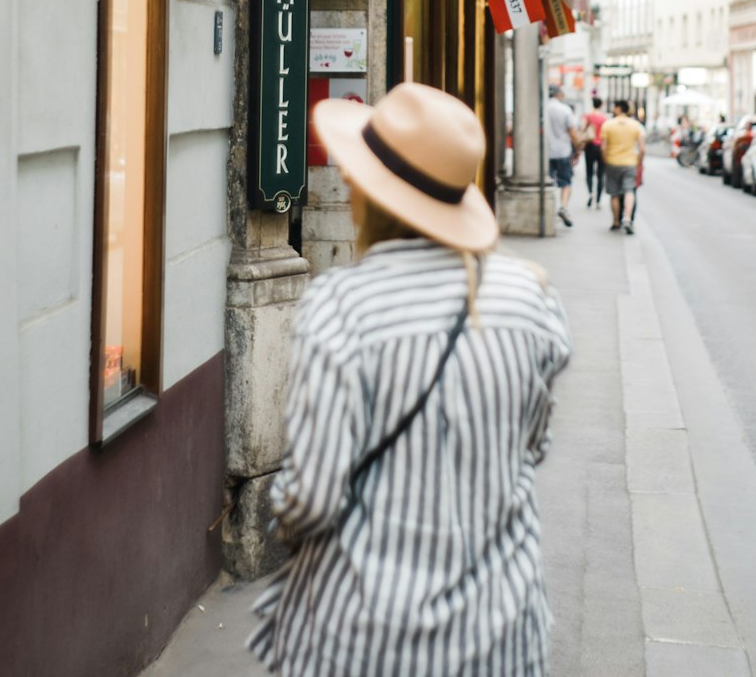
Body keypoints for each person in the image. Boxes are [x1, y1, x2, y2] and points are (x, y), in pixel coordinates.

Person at [249, 82, 572, 676]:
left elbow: (314, 497)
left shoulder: (340, 306)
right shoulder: (532, 298)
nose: (346, 184)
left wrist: (283, 513)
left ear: (372, 195)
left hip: (368, 637)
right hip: (501, 630)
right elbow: (533, 445)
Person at [601, 98, 645, 234]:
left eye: (614, 107)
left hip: (612, 162)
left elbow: (603, 148)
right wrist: (639, 162)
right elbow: (642, 149)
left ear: (619, 108)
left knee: (614, 193)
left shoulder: (608, 124)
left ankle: (615, 222)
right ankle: (627, 218)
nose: (613, 110)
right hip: (630, 163)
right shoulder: (636, 125)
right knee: (629, 191)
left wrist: (606, 160)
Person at [546, 84, 578, 227]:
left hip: (545, 152)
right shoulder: (565, 110)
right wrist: (577, 148)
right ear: (558, 94)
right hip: (563, 150)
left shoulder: (542, 108)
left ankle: (548, 207)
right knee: (566, 181)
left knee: (547, 181)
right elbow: (572, 132)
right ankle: (563, 207)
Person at [579, 95, 608, 208]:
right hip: (601, 147)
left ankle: (591, 193)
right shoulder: (604, 118)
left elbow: (581, 128)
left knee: (589, 172)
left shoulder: (587, 116)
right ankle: (598, 201)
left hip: (590, 146)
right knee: (601, 174)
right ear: (601, 105)